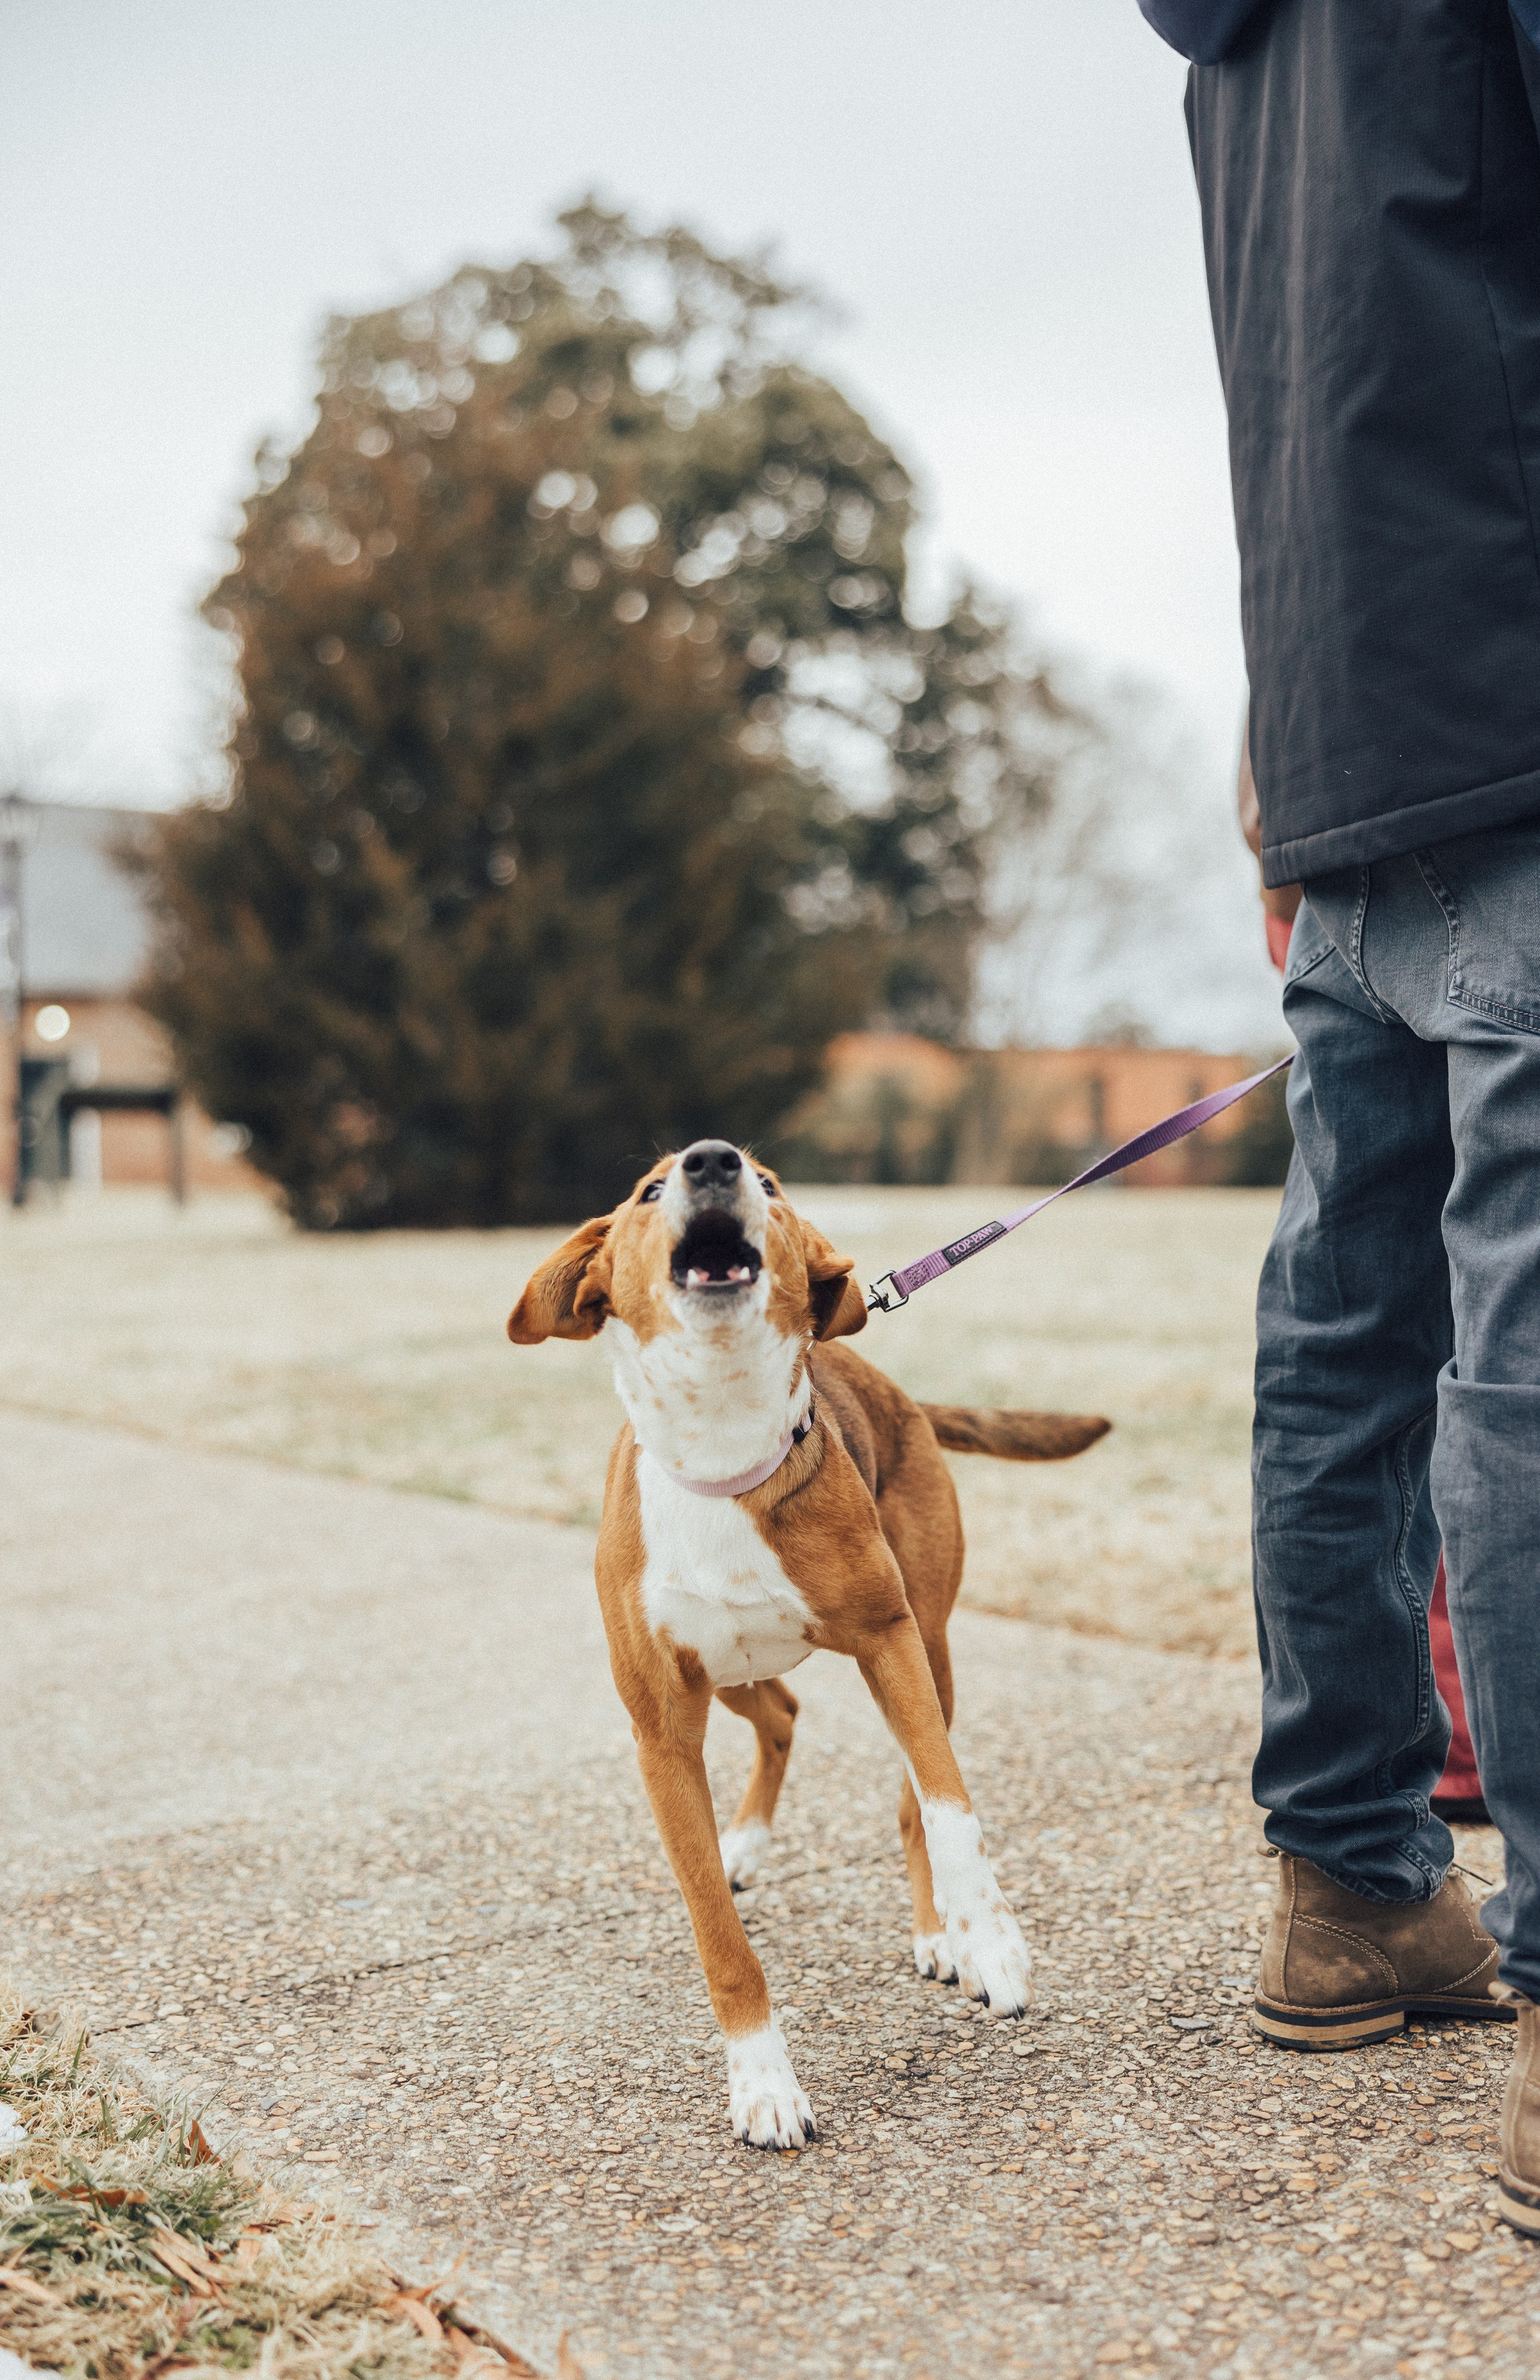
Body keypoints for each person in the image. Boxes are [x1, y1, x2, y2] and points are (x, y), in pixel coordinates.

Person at [1142, 0, 1540, 2239]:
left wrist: (1278, 729)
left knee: (1351, 1336)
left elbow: (1284, 377)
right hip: (1505, 702)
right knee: (1515, 1369)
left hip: (1348, 718)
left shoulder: (1232, 41)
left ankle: (1352, 1893)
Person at [1238, 734, 1490, 1827]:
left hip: (1332, 849)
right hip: (1495, 836)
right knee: (1496, 1350)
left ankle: (1345, 1869)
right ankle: (1468, 1751)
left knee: (1348, 1359)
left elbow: (1259, 809)